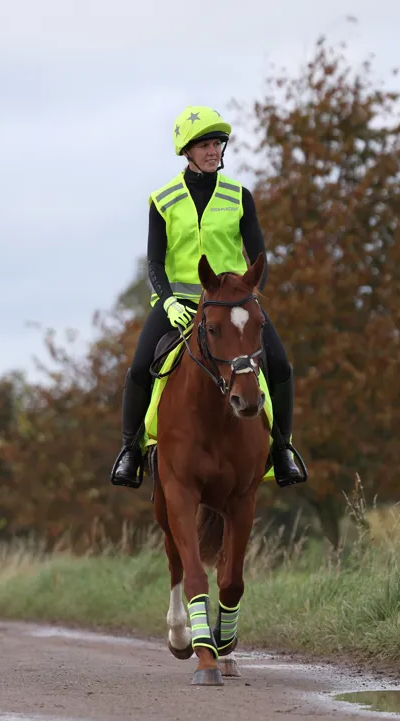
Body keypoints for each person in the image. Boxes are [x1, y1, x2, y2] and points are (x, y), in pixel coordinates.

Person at [109, 105, 306, 489]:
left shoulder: (239, 196)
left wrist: (245, 296)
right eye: (204, 144)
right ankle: (130, 451)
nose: (213, 150)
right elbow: (154, 262)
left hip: (232, 306)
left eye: (217, 143)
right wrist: (167, 301)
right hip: (179, 305)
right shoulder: (162, 200)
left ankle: (282, 449)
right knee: (137, 370)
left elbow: (258, 257)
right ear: (186, 150)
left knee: (280, 367)